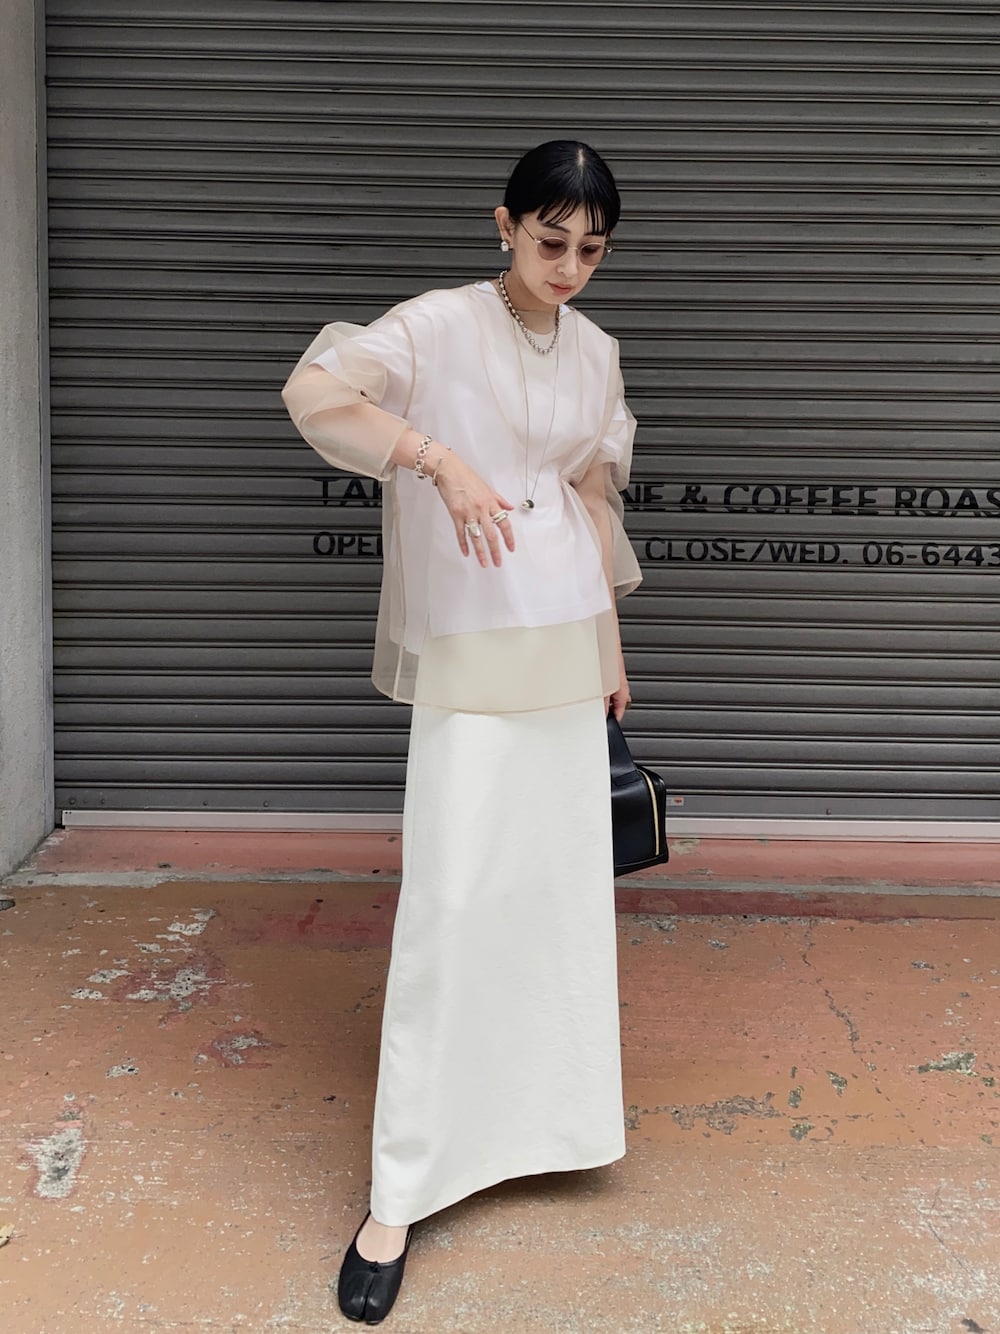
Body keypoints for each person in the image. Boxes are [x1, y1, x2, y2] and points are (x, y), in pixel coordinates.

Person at [281, 139, 641, 1325]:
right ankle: (399, 1192)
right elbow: (315, 392)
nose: (568, 267)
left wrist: (610, 651)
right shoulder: (434, 327)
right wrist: (437, 461)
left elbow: (591, 495)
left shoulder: (595, 351)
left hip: (563, 638)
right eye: (550, 241)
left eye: (590, 249)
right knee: (451, 899)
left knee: (554, 892)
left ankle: (551, 1123)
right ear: (503, 224)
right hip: (474, 642)